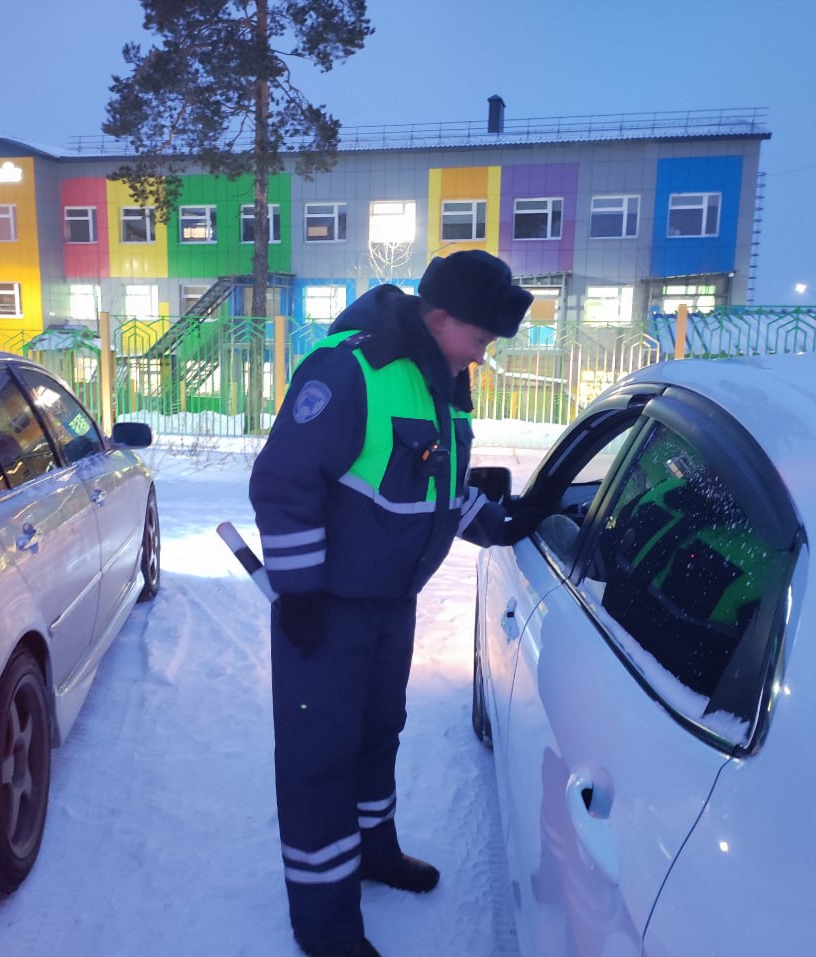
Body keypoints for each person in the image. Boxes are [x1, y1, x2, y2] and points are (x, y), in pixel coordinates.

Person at [248, 250, 547, 957]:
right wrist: (300, 595)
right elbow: (283, 482)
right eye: (480, 338)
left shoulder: (441, 376)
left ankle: (374, 849)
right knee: (318, 758)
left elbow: (431, 481)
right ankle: (325, 926)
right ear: (439, 318)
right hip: (325, 610)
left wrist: (502, 521)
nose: (485, 354)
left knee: (379, 732)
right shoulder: (350, 372)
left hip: (390, 602)